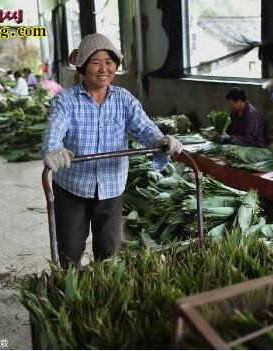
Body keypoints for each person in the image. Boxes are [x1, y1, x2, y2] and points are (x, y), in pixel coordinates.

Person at [41, 33, 182, 267]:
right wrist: (53, 147)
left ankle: (103, 294)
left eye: (110, 62)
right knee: (70, 250)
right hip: (73, 187)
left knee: (110, 251)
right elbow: (55, 126)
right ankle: (69, 294)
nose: (104, 69)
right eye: (96, 62)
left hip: (111, 187)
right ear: (83, 67)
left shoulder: (124, 99)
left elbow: (144, 126)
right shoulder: (66, 100)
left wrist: (160, 140)